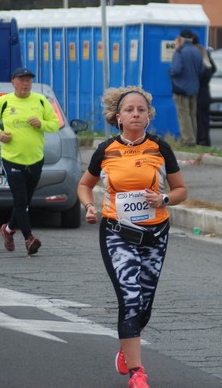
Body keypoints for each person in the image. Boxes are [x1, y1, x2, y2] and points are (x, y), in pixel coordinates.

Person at [77, 86, 188, 388]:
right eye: (130, 110)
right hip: (117, 233)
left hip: (155, 233)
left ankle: (127, 347)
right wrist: (89, 207)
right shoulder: (105, 150)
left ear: (149, 117)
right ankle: (137, 372)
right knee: (130, 297)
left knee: (145, 305)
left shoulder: (160, 148)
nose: (136, 114)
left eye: (142, 110)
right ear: (118, 117)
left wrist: (163, 199)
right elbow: (84, 185)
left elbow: (181, 191)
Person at [0, 67, 60, 256]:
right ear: (13, 82)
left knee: (25, 202)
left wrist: (41, 124)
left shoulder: (41, 101)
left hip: (35, 160)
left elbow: (55, 124)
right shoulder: (4, 102)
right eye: (21, 80)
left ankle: (8, 230)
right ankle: (29, 238)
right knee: (20, 200)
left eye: (28, 80)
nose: (25, 84)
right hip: (11, 159)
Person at [168, 29, 204, 146]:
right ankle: (193, 137)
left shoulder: (180, 52)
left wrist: (170, 72)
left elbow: (176, 69)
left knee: (183, 115)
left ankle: (188, 140)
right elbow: (201, 70)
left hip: (181, 87)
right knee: (192, 115)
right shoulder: (196, 51)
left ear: (181, 39)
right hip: (194, 88)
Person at [193, 34, 216, 146]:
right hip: (206, 92)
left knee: (199, 119)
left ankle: (201, 140)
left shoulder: (196, 55)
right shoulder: (205, 53)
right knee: (205, 119)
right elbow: (214, 68)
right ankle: (206, 140)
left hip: (198, 93)